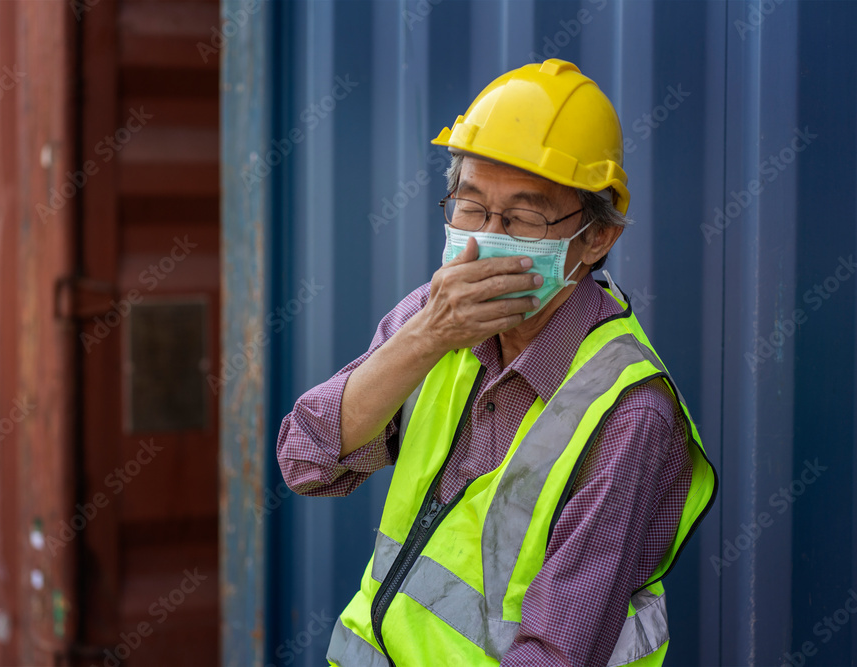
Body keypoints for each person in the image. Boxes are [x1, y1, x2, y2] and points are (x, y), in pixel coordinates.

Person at [276, 58, 717, 667]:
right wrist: (427, 335)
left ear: (595, 238)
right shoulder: (434, 319)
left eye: (523, 218)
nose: (485, 239)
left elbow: (555, 651)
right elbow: (305, 459)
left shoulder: (627, 411)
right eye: (470, 207)